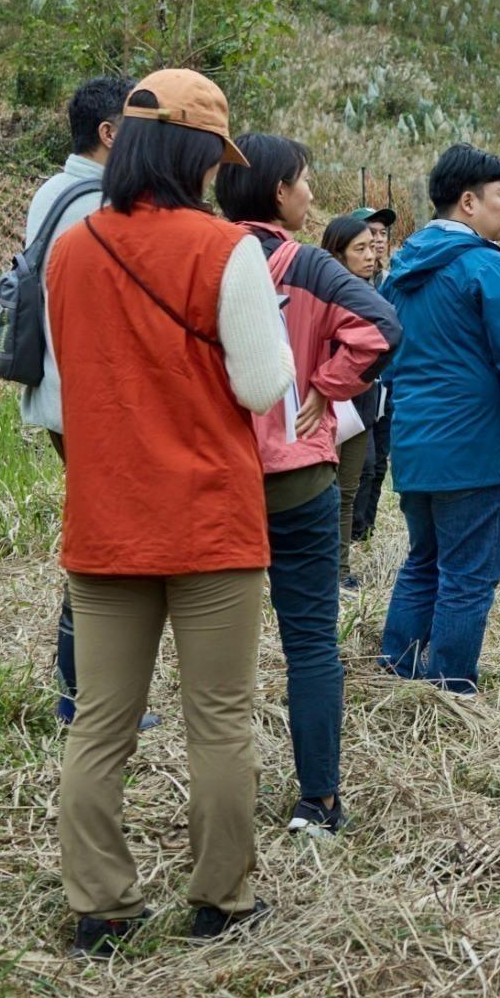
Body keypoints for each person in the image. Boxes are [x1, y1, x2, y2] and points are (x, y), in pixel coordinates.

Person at [44, 69, 295, 955]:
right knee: (220, 717)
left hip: (106, 518)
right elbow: (262, 383)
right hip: (210, 522)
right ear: (196, 154)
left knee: (100, 720)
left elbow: (73, 380)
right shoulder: (224, 250)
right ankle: (220, 901)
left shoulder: (71, 249)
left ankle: (100, 906)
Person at [215, 141, 399, 836]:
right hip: (297, 475)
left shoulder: (201, 254)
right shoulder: (307, 265)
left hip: (214, 476)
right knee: (311, 642)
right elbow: (381, 328)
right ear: (276, 191)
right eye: (302, 180)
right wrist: (327, 387)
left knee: (217, 650)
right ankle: (318, 800)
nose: (309, 190)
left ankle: (224, 806)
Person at [377, 147, 500, 693]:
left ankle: (397, 666)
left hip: (414, 442)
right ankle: (450, 686)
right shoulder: (488, 268)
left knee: (424, 559)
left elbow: (382, 350)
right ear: (468, 201)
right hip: (474, 446)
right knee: (468, 575)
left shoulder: (402, 268)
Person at [24, 75, 130, 724]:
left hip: (59, 390)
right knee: (103, 538)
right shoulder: (95, 201)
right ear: (109, 133)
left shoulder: (54, 190)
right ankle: (83, 691)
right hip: (88, 396)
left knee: (99, 532)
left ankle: (83, 687)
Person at [320, 207, 396, 570]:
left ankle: (341, 569)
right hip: (324, 406)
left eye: (373, 247)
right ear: (337, 253)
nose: (370, 255)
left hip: (361, 407)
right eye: (360, 249)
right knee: (324, 492)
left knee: (350, 488)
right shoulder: (322, 297)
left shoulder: (374, 290)